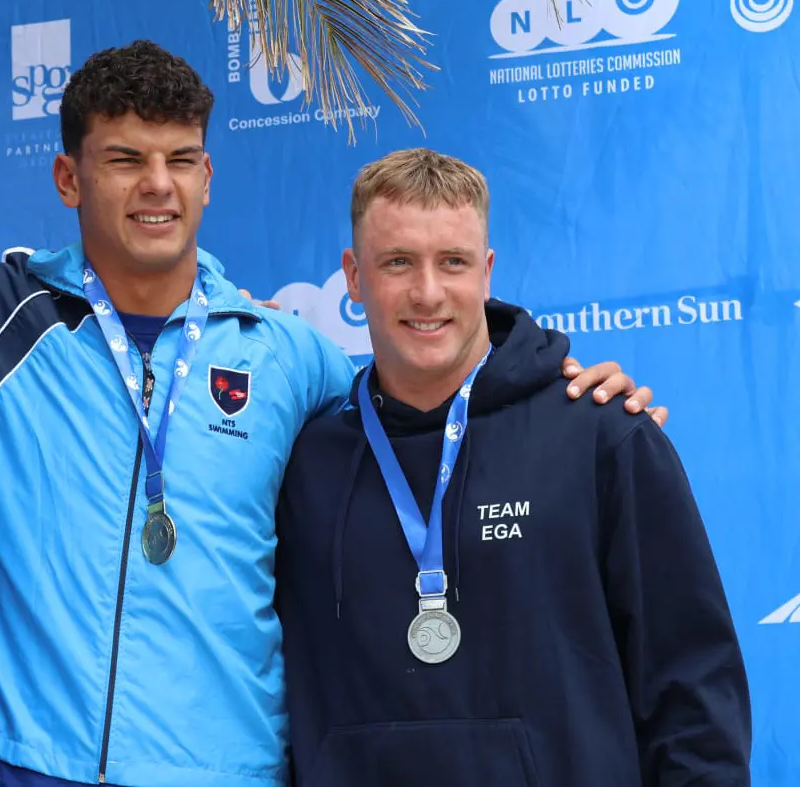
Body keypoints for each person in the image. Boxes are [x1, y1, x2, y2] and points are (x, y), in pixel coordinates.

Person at [0, 43, 664, 787]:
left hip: (231, 766)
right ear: (69, 176)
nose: (155, 186)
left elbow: (430, 418)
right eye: (124, 159)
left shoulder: (290, 353)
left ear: (208, 176)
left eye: (178, 159)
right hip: (25, 762)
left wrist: (556, 381)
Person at [274, 148, 750, 786]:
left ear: (487, 271)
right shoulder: (305, 466)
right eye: (397, 262)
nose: (427, 292)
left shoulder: (601, 434)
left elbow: (692, 687)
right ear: (354, 278)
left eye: (453, 261)